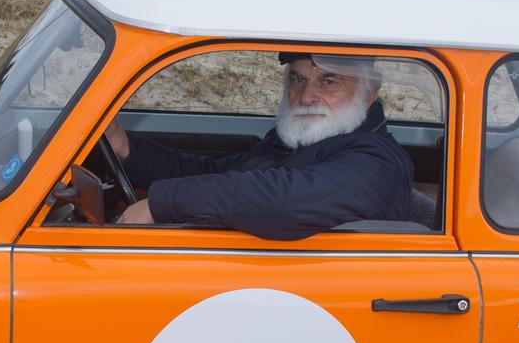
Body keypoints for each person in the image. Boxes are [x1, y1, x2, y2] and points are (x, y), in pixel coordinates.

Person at [101, 54, 414, 240]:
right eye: (298, 80)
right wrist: (127, 149)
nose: (306, 97)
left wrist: (163, 203)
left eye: (328, 82)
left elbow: (285, 199)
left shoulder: (378, 162)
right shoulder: (296, 141)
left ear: (368, 95)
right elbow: (215, 174)